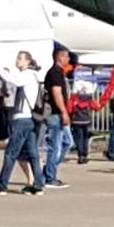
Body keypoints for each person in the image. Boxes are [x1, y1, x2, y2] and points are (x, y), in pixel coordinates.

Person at [0, 51, 44, 196]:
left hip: (22, 119)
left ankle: (2, 185)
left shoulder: (27, 75)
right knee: (32, 153)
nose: (17, 61)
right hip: (29, 119)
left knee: (11, 153)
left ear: (27, 61)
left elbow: (13, 80)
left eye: (19, 58)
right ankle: (38, 185)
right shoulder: (32, 76)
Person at [40, 46, 72, 190]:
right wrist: (64, 112)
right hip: (55, 113)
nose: (68, 59)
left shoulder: (59, 73)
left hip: (57, 113)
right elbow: (56, 93)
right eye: (66, 56)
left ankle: (49, 169)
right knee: (55, 145)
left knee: (67, 142)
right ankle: (50, 177)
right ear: (60, 57)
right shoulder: (55, 73)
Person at [68, 81, 95, 164]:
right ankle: (85, 154)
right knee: (85, 139)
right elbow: (96, 106)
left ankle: (80, 156)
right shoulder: (89, 99)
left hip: (76, 121)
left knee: (79, 139)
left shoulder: (74, 99)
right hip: (87, 121)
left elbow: (69, 109)